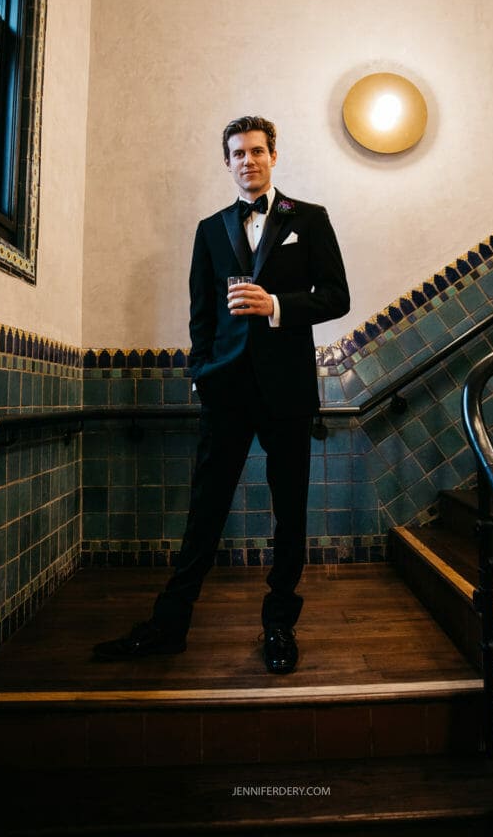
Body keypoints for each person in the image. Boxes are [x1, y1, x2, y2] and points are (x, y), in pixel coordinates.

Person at [93, 115, 350, 673]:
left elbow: (337, 296)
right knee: (204, 512)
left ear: (273, 155)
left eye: (257, 151)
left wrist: (276, 306)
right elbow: (201, 311)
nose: (247, 161)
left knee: (290, 514)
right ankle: (169, 625)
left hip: (287, 391)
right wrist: (201, 372)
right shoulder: (210, 229)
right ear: (227, 162)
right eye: (237, 153)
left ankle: (279, 625)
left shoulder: (309, 218)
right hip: (225, 391)